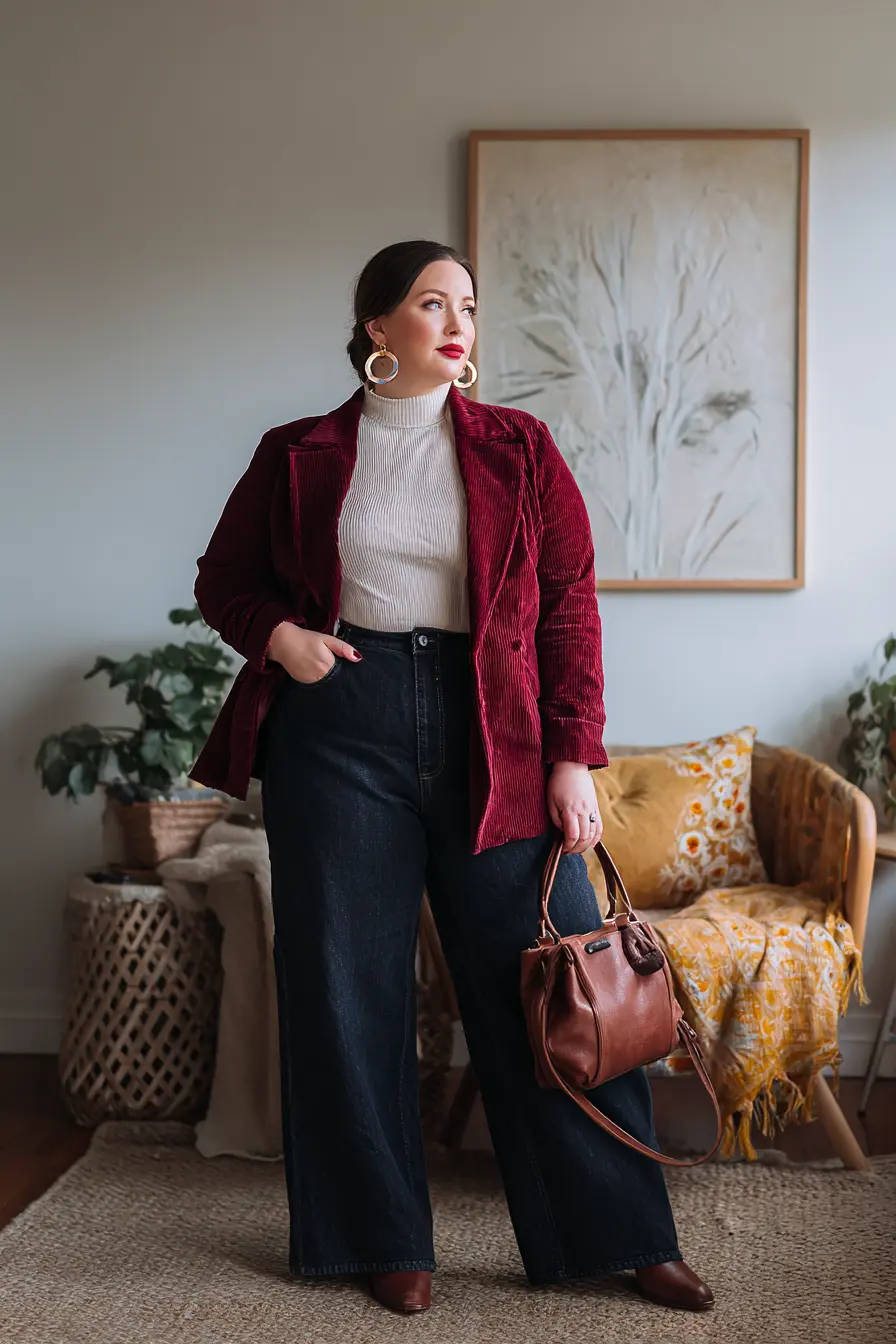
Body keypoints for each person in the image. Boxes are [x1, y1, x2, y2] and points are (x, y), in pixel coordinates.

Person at [188, 239, 714, 1315]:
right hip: (338, 725)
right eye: (431, 302)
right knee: (347, 988)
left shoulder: (519, 448)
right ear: (377, 327)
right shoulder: (296, 452)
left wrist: (571, 755)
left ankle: (617, 1234)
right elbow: (222, 578)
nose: (457, 319)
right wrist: (282, 638)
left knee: (557, 977)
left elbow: (568, 603)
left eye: (466, 302)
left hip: (498, 731)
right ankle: (377, 1238)